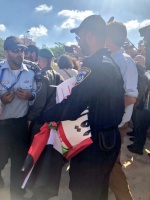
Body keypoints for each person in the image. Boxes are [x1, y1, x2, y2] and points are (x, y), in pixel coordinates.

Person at [39, 15, 125, 200]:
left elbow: (72, 107)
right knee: (99, 189)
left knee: (83, 190)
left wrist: (43, 115)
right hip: (110, 138)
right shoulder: (110, 63)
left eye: (80, 37)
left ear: (90, 36)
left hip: (93, 143)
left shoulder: (92, 66)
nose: (78, 42)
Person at [0, 36, 36, 200]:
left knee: (19, 162)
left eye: (22, 50)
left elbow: (36, 97)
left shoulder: (30, 73)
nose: (20, 54)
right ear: (6, 51)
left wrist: (30, 96)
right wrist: (1, 100)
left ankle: (16, 193)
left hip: (20, 125)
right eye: (15, 51)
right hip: (1, 126)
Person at [106, 21, 138, 200]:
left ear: (109, 38)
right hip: (110, 122)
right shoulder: (111, 58)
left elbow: (131, 97)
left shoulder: (124, 61)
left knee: (112, 165)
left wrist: (106, 109)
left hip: (117, 124)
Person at [27, 48, 64, 200]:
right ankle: (43, 189)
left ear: (41, 59)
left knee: (36, 154)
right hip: (53, 122)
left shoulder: (43, 75)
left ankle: (37, 190)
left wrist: (30, 118)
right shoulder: (59, 76)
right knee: (48, 156)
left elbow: (39, 102)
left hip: (40, 122)